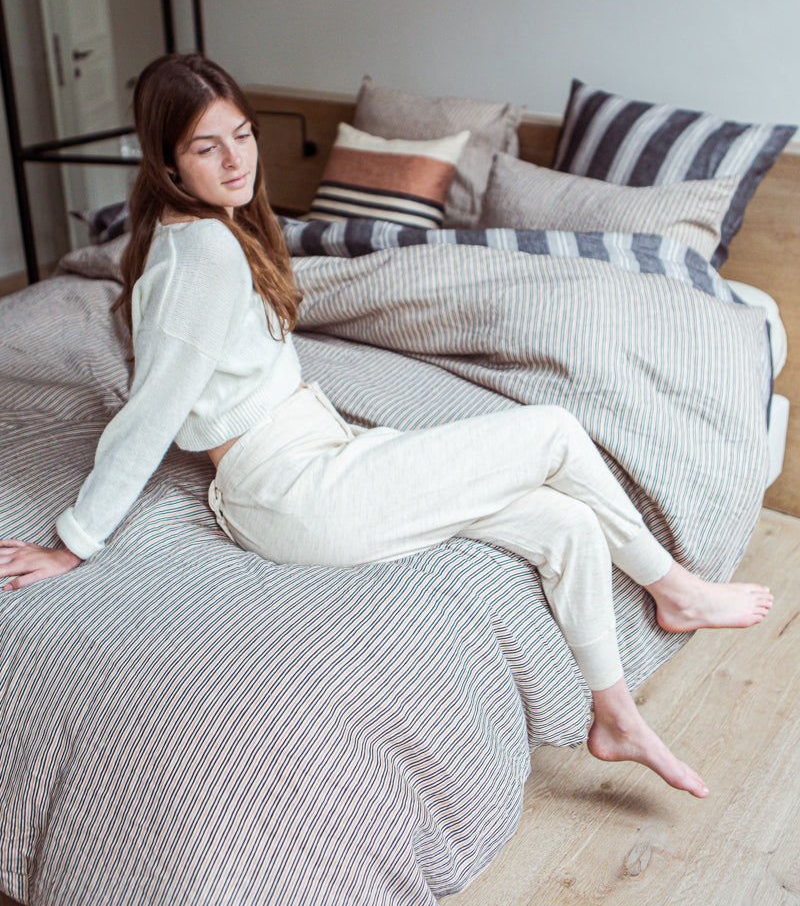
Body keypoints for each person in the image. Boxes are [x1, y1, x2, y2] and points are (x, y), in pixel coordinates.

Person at [0, 52, 773, 799]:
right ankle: (677, 591)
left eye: (242, 134)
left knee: (563, 525)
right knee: (555, 433)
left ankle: (616, 717)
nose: (236, 161)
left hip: (320, 460)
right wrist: (72, 540)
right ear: (168, 165)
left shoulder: (202, 232)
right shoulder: (203, 250)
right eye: (207, 147)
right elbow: (153, 411)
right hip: (295, 493)